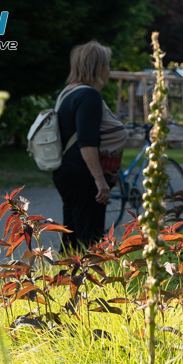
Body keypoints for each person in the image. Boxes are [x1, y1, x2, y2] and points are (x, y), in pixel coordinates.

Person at [54, 41, 127, 252]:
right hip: (84, 177)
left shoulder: (66, 93)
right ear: (98, 68)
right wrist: (99, 180)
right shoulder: (89, 96)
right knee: (89, 241)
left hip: (66, 172)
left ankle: (62, 278)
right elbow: (87, 142)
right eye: (107, 64)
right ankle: (86, 281)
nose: (109, 70)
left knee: (72, 238)